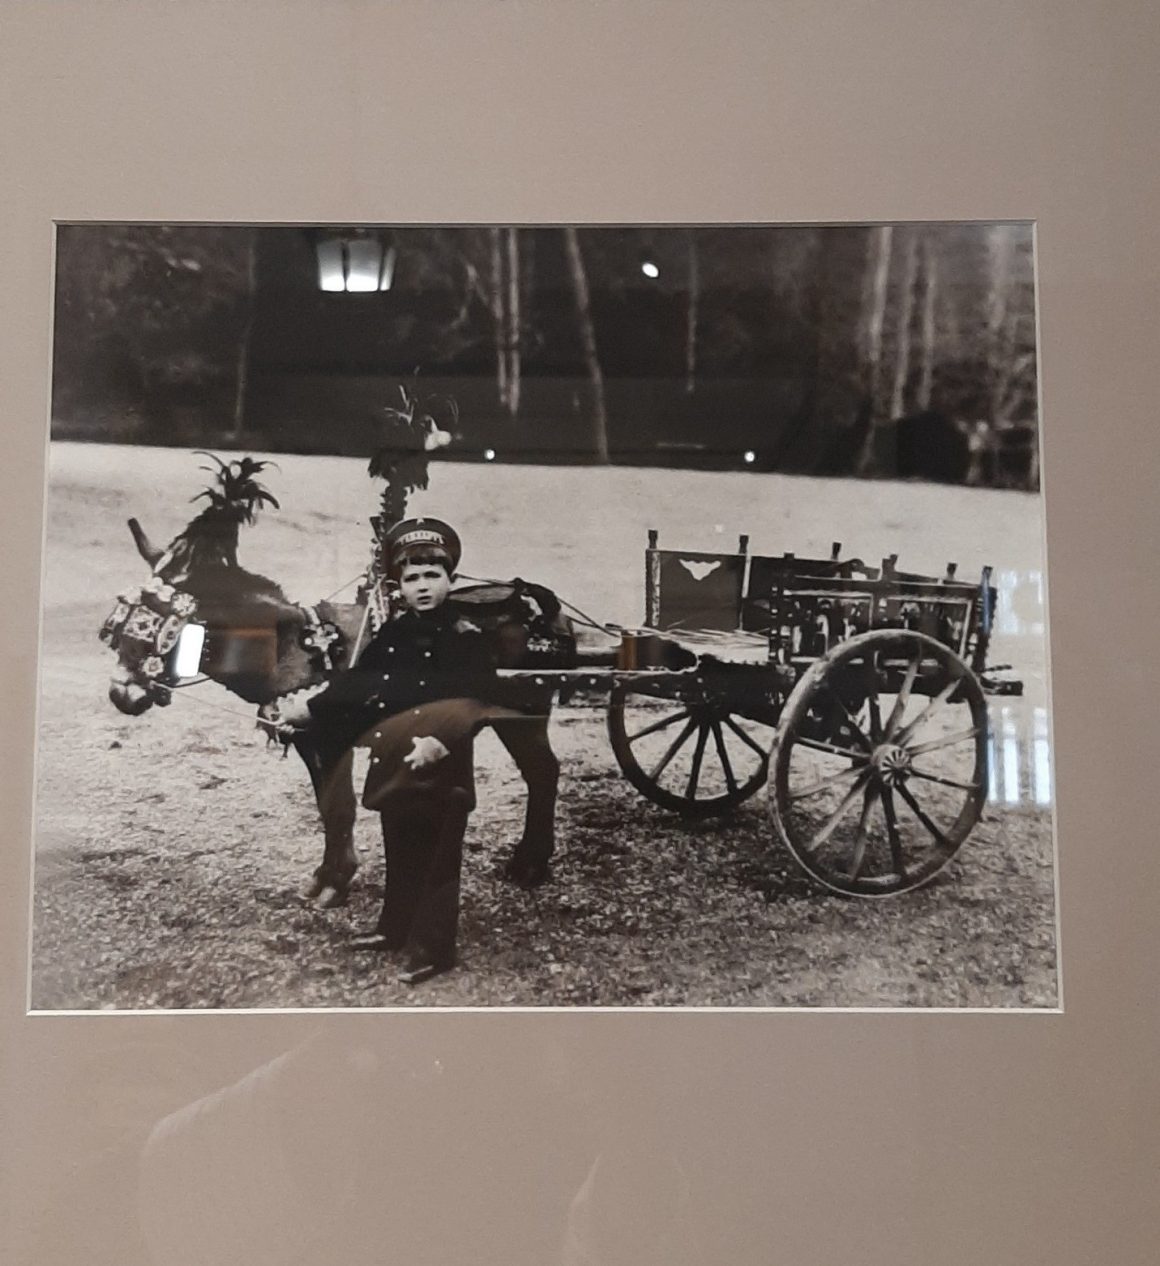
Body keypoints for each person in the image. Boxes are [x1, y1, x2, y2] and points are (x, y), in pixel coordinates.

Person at [276, 517, 517, 984]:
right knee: (400, 846)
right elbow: (357, 683)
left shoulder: (465, 637)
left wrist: (440, 742)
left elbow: (477, 701)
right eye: (412, 578)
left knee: (438, 859)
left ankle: (435, 948)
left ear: (450, 580)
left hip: (442, 767)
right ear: (399, 587)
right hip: (393, 760)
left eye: (432, 576)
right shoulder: (395, 633)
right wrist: (309, 709)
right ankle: (394, 928)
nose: (423, 586)